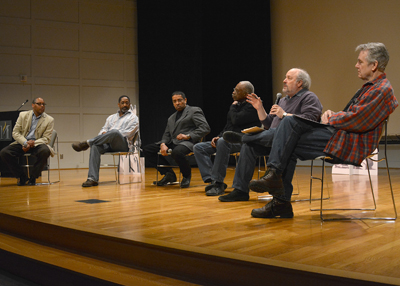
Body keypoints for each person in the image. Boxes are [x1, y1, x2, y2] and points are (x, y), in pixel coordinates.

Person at [248, 42, 398, 219]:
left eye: (360, 62)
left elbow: (358, 120)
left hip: (349, 143)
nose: (356, 65)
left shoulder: (381, 90)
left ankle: (277, 193)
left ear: (374, 65)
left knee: (289, 129)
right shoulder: (373, 87)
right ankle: (277, 193)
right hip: (342, 135)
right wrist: (334, 114)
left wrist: (332, 118)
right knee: (289, 136)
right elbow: (355, 115)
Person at [219, 68, 323, 204]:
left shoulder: (309, 97)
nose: (284, 80)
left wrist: (284, 115)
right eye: (285, 77)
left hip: (293, 141)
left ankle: (243, 137)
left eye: (289, 78)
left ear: (300, 83)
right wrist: (259, 108)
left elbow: (310, 120)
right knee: (249, 145)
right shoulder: (283, 100)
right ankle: (240, 190)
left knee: (274, 132)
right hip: (272, 139)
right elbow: (269, 124)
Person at [193, 81, 260, 196]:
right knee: (199, 147)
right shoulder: (237, 106)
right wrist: (218, 136)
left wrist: (232, 106)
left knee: (223, 142)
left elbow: (236, 120)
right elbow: (228, 126)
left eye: (237, 91)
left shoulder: (253, 106)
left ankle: (218, 183)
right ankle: (212, 179)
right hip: (227, 141)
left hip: (243, 142)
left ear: (246, 94)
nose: (233, 92)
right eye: (234, 89)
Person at [143, 91, 210, 188]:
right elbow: (166, 134)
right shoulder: (171, 118)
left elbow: (205, 128)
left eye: (179, 100)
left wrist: (188, 136)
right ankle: (169, 174)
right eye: (174, 101)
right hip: (173, 142)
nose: (177, 103)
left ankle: (186, 176)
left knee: (177, 152)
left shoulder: (194, 111)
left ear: (185, 100)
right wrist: (163, 144)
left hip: (188, 142)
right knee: (147, 149)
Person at [72, 95, 139, 187]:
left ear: (129, 104)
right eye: (122, 103)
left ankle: (87, 143)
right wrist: (104, 133)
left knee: (115, 132)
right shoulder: (111, 117)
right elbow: (103, 129)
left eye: (127, 103)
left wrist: (111, 134)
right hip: (108, 143)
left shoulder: (133, 118)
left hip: (123, 144)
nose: (125, 105)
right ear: (118, 104)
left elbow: (128, 133)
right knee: (95, 147)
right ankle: (92, 179)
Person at [0, 97, 54, 186]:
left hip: (38, 143)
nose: (42, 106)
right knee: (4, 153)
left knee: (45, 151)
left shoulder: (49, 119)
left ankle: (33, 177)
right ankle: (22, 176)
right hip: (22, 142)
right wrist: (25, 143)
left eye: (43, 104)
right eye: (39, 104)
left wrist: (33, 143)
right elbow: (15, 132)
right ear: (33, 105)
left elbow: (46, 138)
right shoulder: (23, 115)